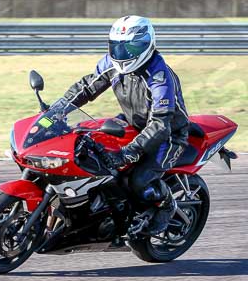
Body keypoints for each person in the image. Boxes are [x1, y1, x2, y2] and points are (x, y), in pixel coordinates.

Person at [62, 15, 190, 235]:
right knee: (88, 146)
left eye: (132, 46)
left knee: (138, 181)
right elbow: (87, 87)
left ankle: (167, 205)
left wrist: (129, 152)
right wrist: (59, 109)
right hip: (133, 122)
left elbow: (160, 123)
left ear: (146, 43)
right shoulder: (112, 63)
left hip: (168, 134)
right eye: (118, 47)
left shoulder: (159, 76)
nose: (124, 54)